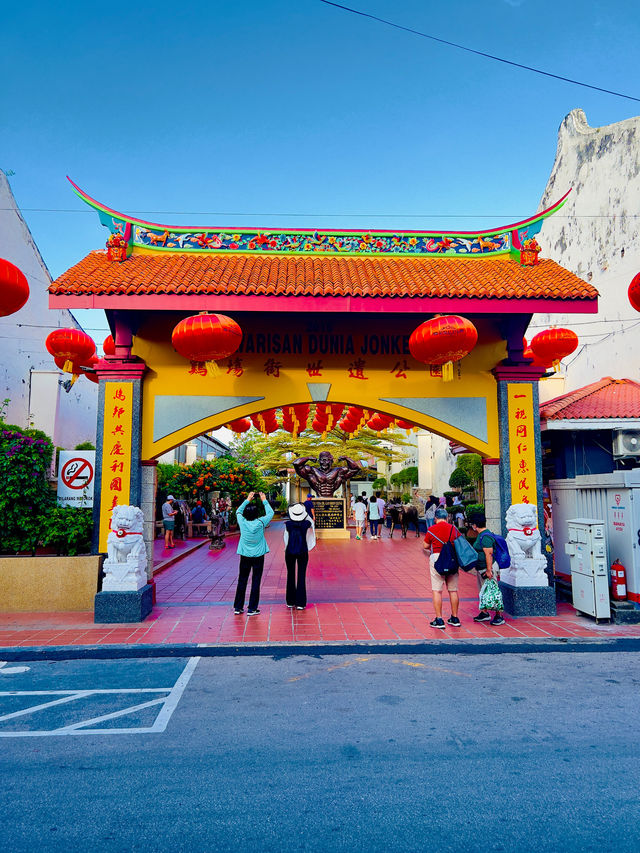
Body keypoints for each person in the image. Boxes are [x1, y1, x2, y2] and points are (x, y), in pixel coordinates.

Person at [233, 491, 274, 615]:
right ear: (257, 514)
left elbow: (238, 511)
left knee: (242, 580)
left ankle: (238, 607)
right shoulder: (261, 523)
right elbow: (271, 513)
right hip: (258, 556)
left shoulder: (242, 522)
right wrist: (264, 500)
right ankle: (252, 608)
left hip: (245, 556)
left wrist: (247, 499)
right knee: (256, 580)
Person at [422, 507, 461, 630]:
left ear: (435, 518)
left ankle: (439, 619)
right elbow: (459, 543)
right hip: (452, 559)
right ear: (447, 517)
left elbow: (425, 546)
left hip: (437, 559)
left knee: (437, 590)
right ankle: (454, 618)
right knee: (453, 590)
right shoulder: (454, 529)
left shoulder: (432, 529)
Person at [468, 511, 505, 626]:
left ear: (475, 525)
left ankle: (499, 615)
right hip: (482, 568)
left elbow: (488, 554)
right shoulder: (482, 535)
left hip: (487, 568)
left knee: (493, 591)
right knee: (484, 591)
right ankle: (484, 613)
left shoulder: (485, 537)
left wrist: (489, 570)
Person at [283, 503, 316, 609]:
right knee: (301, 575)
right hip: (303, 551)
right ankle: (301, 603)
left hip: (290, 551)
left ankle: (290, 601)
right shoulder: (306, 524)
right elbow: (312, 529)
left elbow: (286, 540)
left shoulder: (288, 524)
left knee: (290, 575)